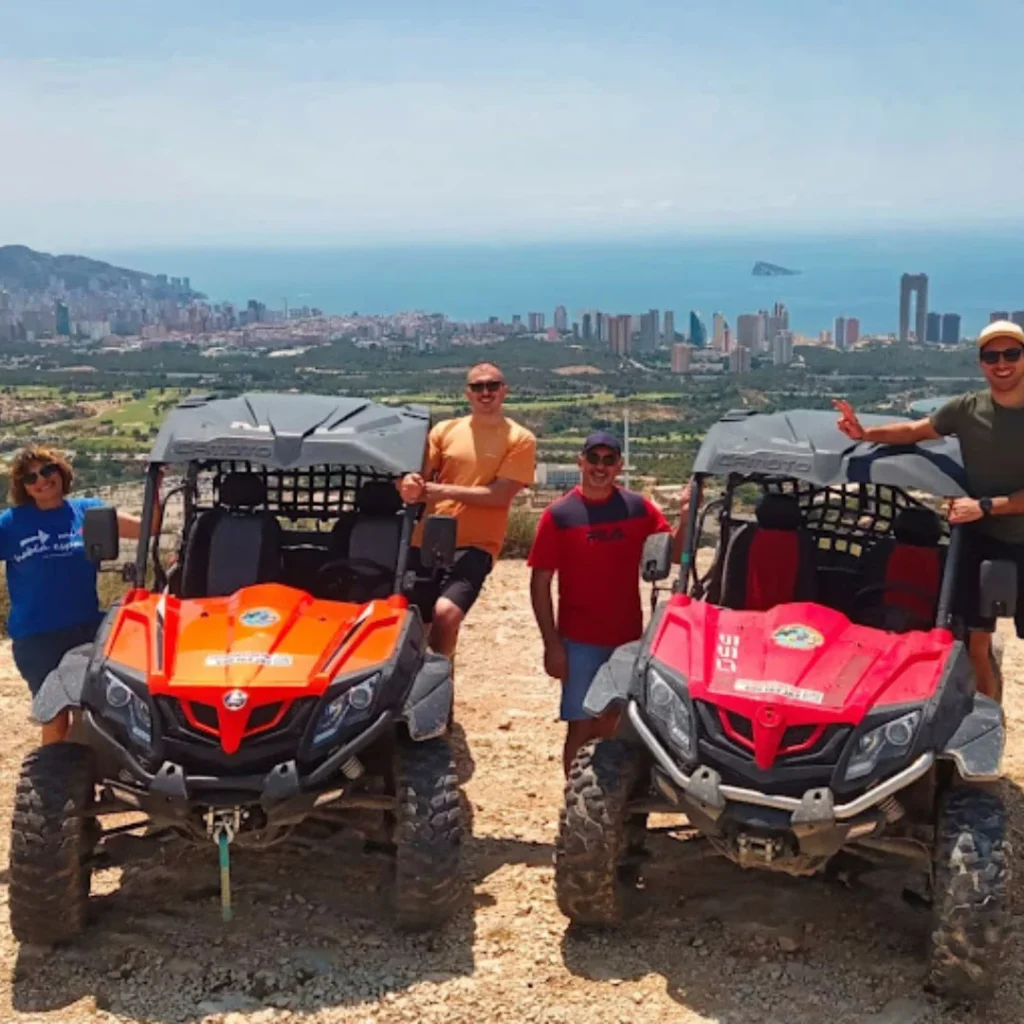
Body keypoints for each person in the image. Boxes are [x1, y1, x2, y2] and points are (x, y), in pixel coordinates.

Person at [834, 319, 1024, 701]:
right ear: (980, 363)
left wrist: (985, 507)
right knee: (975, 643)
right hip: (981, 538)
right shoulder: (968, 409)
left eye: (1011, 354)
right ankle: (989, 720)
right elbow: (916, 430)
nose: (1001, 363)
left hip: (999, 527)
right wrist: (865, 434)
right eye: (992, 356)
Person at [528, 432, 692, 773]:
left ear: (619, 466)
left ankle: (607, 799)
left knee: (616, 723)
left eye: (608, 460)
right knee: (581, 724)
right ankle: (576, 799)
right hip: (578, 640)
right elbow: (540, 582)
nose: (599, 467)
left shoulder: (638, 508)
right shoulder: (559, 515)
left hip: (627, 638)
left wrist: (687, 514)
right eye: (593, 459)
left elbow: (673, 553)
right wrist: (551, 644)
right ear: (581, 462)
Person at [0, 447, 157, 743]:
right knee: (56, 714)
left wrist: (156, 481)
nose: (41, 480)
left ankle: (82, 772)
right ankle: (52, 780)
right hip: (37, 637)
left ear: (61, 471)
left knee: (97, 710)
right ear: (23, 487)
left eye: (47, 470)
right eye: (31, 477)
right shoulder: (11, 523)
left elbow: (149, 527)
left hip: (88, 629)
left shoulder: (87, 512)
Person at [399, 362, 536, 659]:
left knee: (446, 614)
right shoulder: (444, 430)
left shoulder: (520, 438)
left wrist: (440, 490)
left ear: (504, 391)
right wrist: (409, 483)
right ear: (467, 393)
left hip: (477, 543)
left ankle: (438, 679)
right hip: (427, 538)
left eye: (492, 386)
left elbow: (500, 496)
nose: (485, 392)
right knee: (414, 621)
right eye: (478, 387)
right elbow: (419, 476)